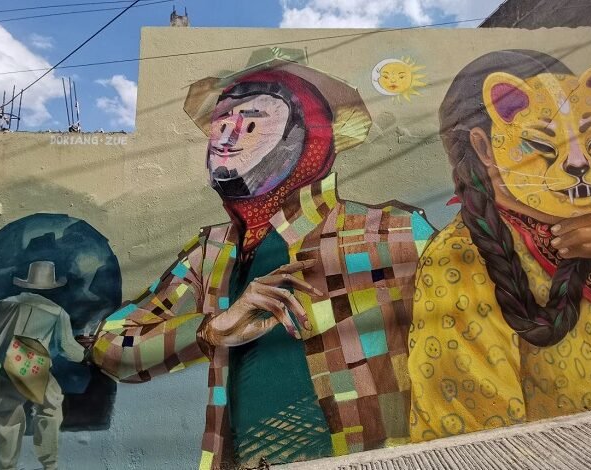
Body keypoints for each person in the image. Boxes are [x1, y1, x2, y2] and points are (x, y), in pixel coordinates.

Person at [88, 52, 434, 469]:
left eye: (252, 123)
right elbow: (110, 345)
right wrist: (211, 329)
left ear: (306, 139)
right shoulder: (210, 252)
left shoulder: (391, 233)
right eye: (221, 123)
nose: (227, 138)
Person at [408, 50, 591, 441]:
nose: (580, 163)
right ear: (485, 149)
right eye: (543, 145)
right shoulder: (460, 257)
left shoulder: (575, 237)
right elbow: (475, 435)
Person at [0, 261, 85, 470]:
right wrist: (85, 353)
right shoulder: (57, 311)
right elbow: (68, 349)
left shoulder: (2, 304)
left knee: (7, 419)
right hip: (32, 368)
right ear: (52, 286)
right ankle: (50, 465)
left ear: (27, 282)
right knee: (51, 406)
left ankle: (7, 467)